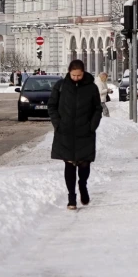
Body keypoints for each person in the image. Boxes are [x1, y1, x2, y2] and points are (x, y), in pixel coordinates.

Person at [48, 60, 103, 210]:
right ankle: (71, 197)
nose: (76, 78)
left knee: (84, 163)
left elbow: (98, 108)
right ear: (69, 72)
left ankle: (83, 185)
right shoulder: (61, 86)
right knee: (70, 164)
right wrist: (57, 123)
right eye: (73, 75)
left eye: (79, 75)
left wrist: (92, 125)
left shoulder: (91, 88)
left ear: (84, 72)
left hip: (85, 131)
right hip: (65, 131)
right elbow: (52, 105)